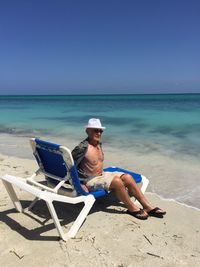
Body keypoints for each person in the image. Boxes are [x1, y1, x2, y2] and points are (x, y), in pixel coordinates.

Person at [72, 118, 166, 220]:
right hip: (90, 180)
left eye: (100, 131)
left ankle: (147, 206)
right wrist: (80, 183)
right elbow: (70, 166)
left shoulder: (98, 144)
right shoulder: (82, 148)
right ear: (87, 131)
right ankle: (132, 208)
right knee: (117, 181)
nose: (99, 133)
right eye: (95, 130)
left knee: (128, 177)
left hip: (101, 175)